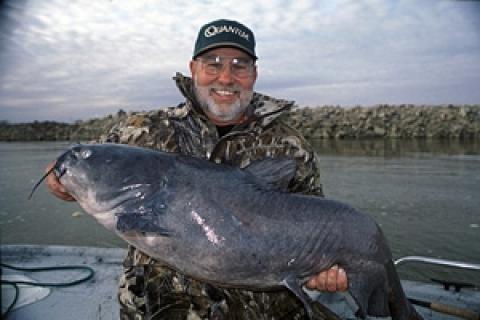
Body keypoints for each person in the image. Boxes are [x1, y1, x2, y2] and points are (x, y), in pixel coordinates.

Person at [46, 19, 348, 320]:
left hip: (264, 309)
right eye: (212, 64)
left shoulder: (290, 146)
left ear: (254, 74)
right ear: (193, 69)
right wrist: (60, 181)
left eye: (239, 65)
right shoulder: (141, 131)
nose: (226, 77)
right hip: (161, 307)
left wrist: (320, 269)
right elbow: (86, 168)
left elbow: (315, 222)